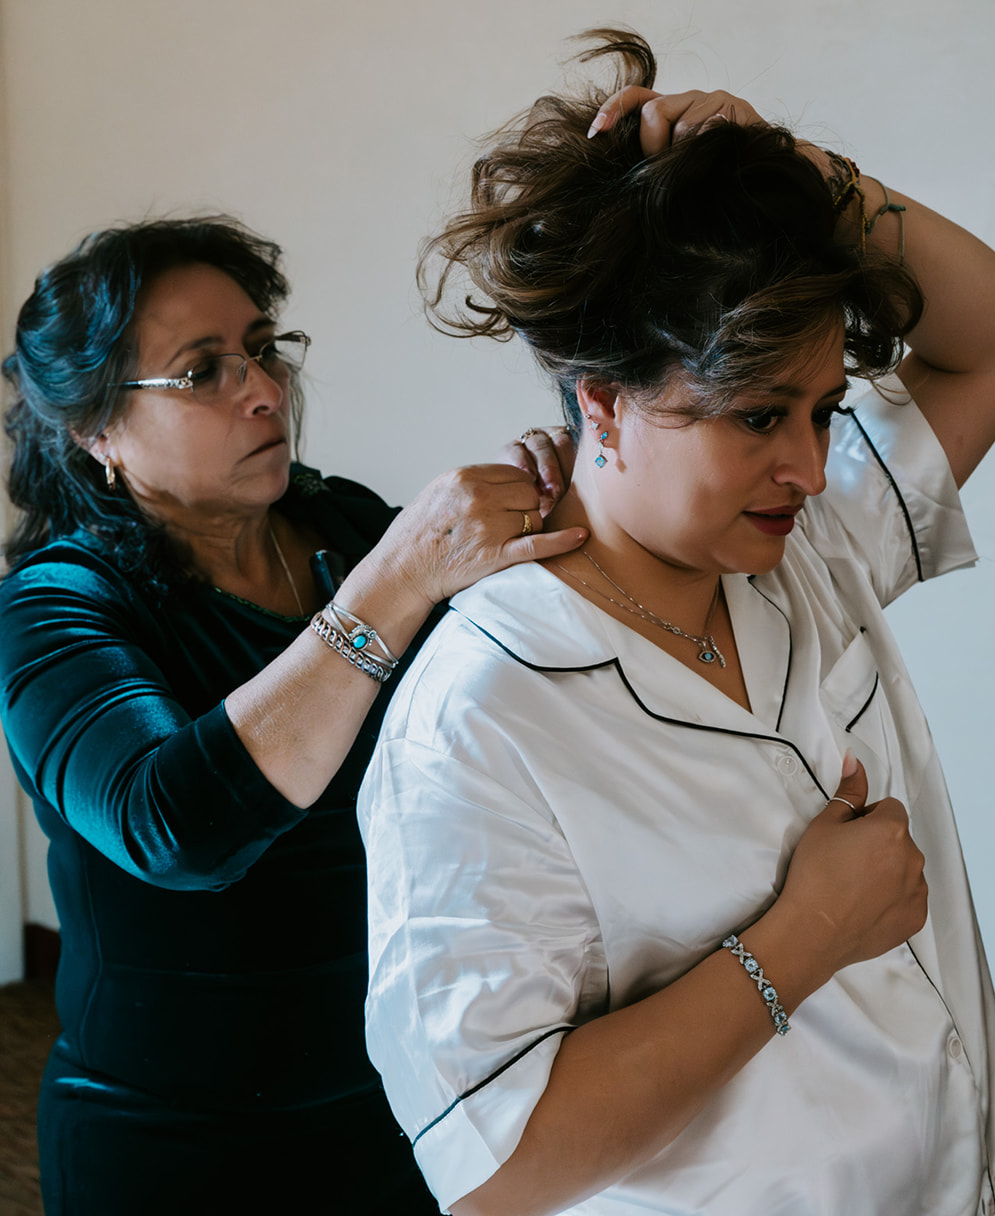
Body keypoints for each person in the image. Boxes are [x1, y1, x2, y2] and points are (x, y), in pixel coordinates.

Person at [359, 30, 995, 1216]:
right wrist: (808, 934)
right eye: (756, 414)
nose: (806, 460)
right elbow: (497, 1165)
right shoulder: (483, 714)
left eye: (827, 409)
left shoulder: (802, 554)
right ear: (604, 405)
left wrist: (803, 173)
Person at [0, 215, 587, 1216]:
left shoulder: (342, 524)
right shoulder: (55, 606)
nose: (265, 390)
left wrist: (568, 505)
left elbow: (490, 711)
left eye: (262, 348)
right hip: (175, 1147)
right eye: (203, 372)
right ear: (94, 430)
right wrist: (396, 581)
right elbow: (177, 825)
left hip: (397, 1101)